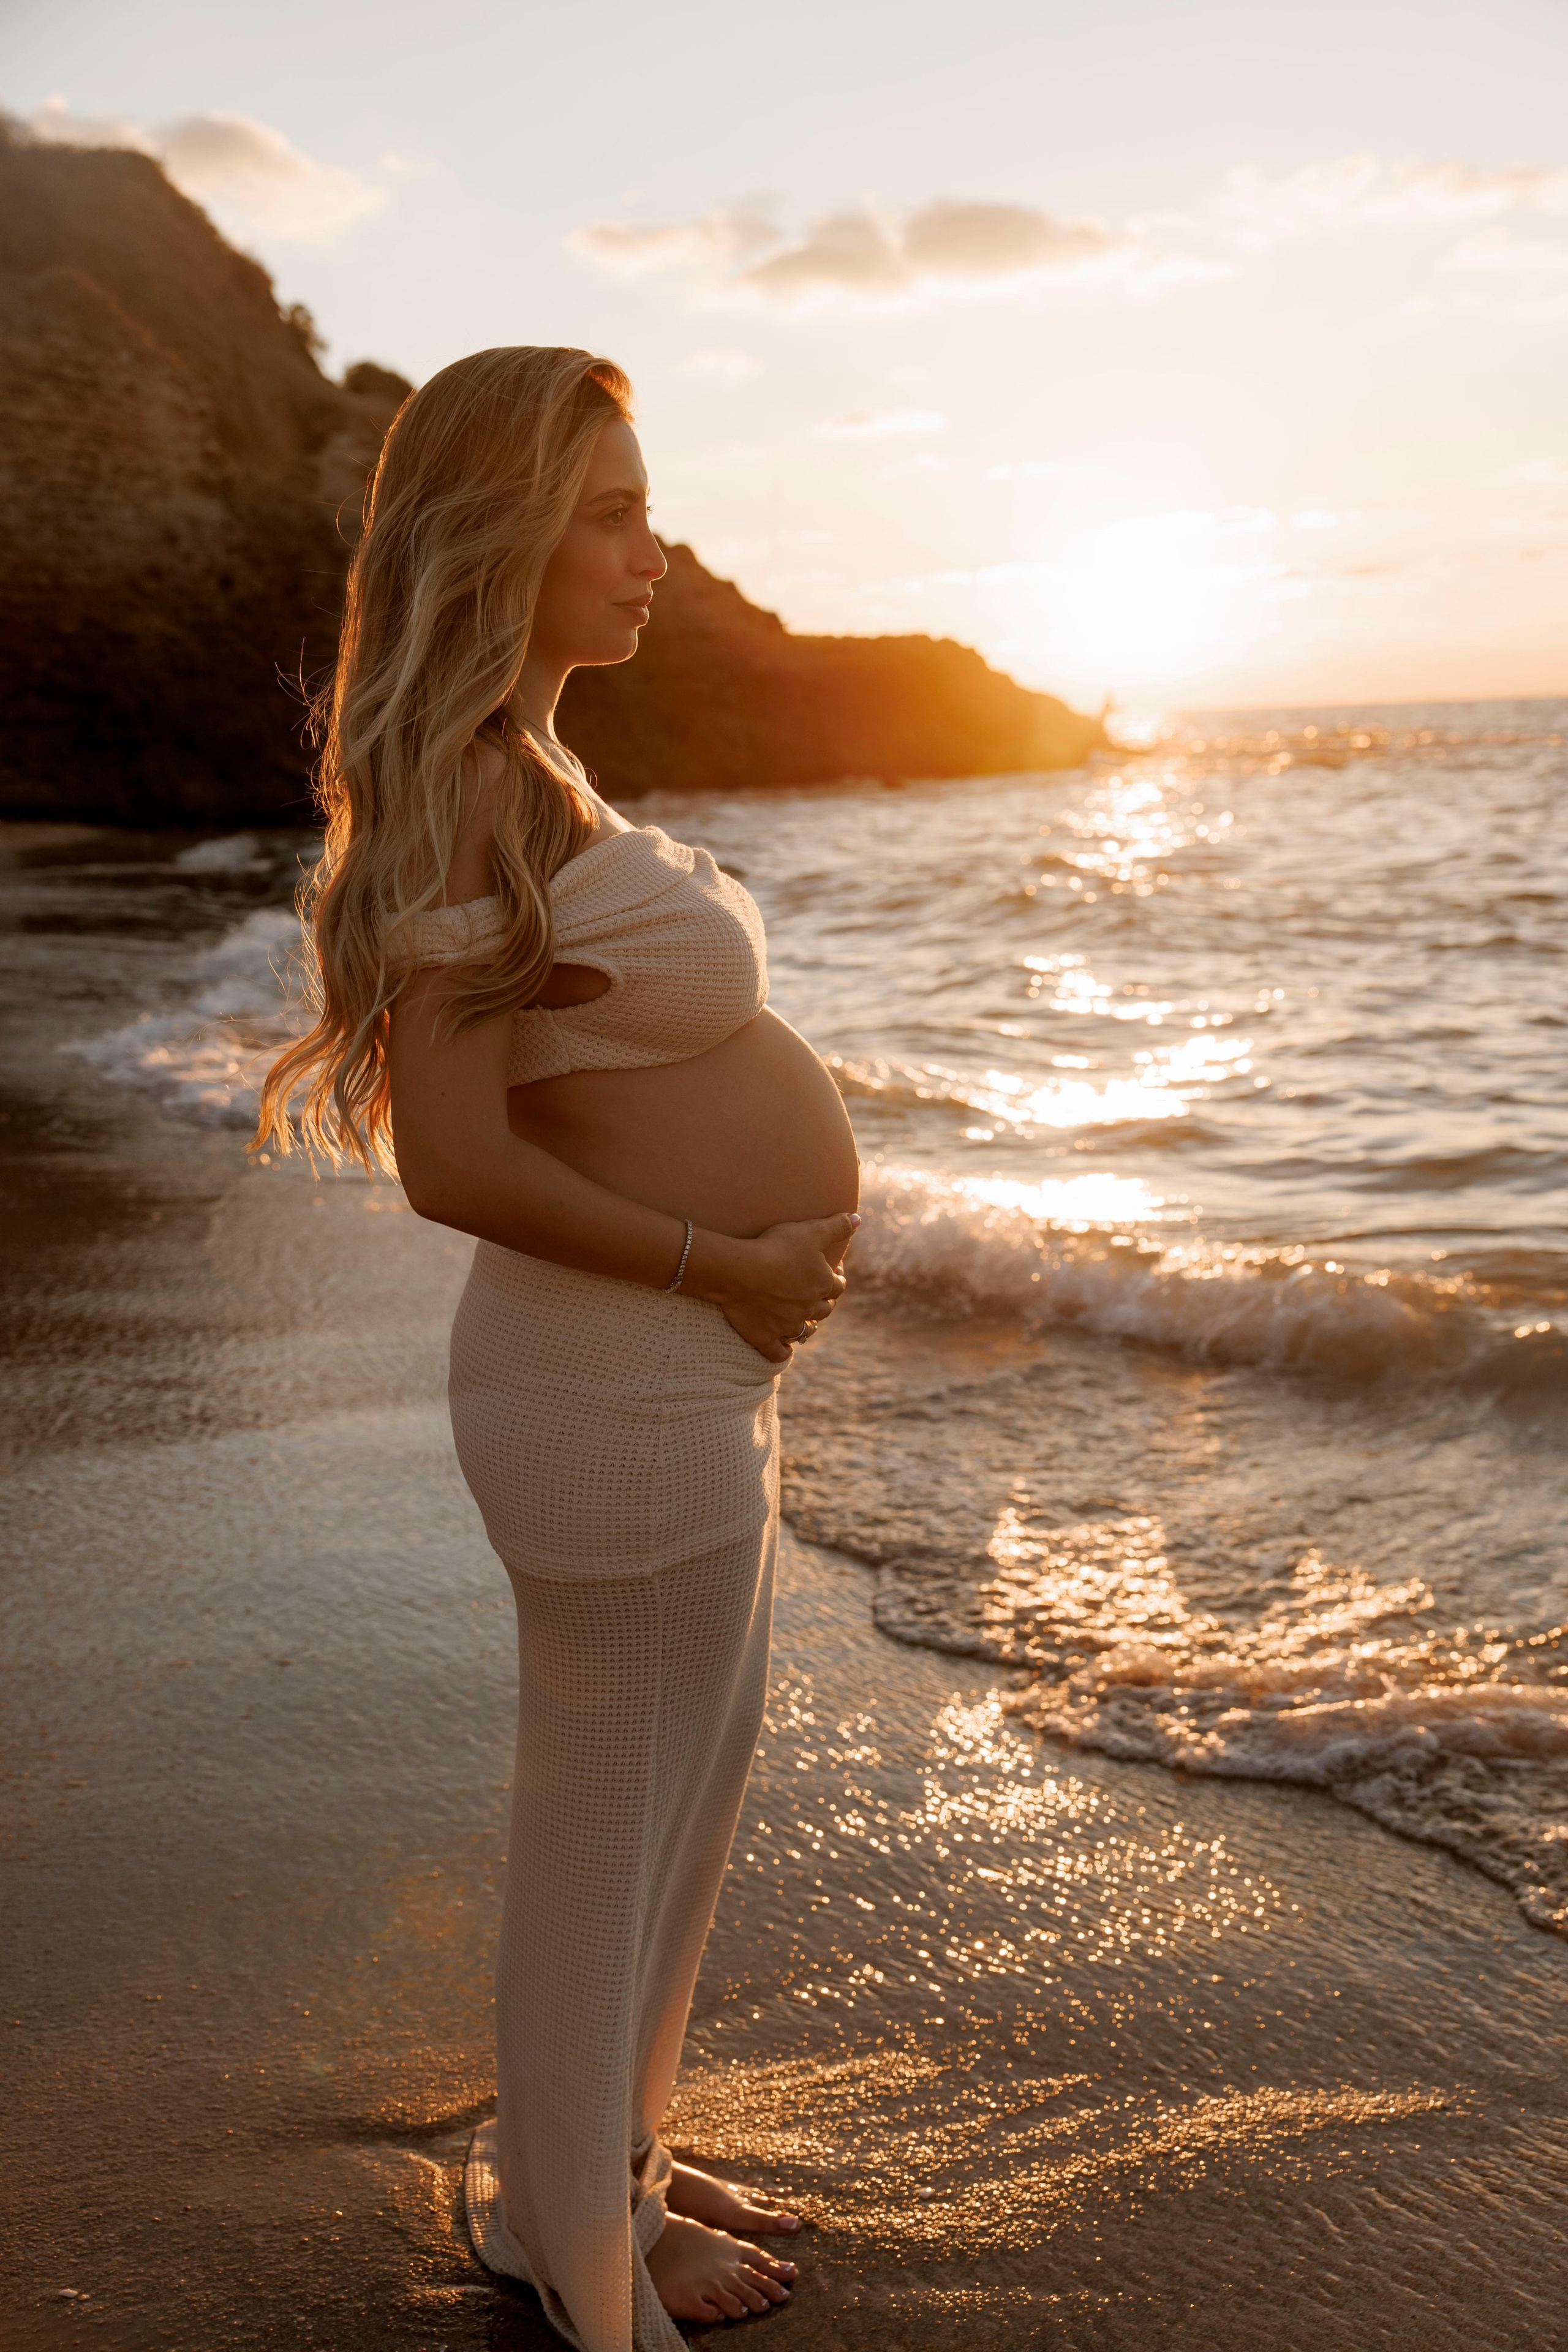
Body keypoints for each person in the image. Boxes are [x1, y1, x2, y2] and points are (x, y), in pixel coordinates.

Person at [255, 345, 861, 2348]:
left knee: (683, 1812)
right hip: (613, 1384)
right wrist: (723, 1260)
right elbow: (454, 1159)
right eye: (608, 510)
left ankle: (607, 2174)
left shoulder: (536, 768)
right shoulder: (465, 793)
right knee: (603, 1846)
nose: (651, 550)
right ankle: (596, 2296)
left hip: (684, 1374)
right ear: (498, 535)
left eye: (644, 503)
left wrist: (737, 1292)